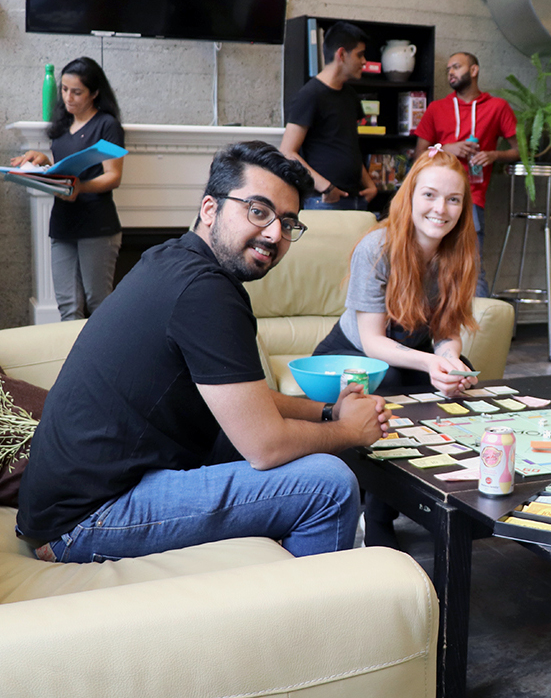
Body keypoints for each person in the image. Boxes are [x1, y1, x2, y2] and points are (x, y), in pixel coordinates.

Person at [15, 141, 391, 563]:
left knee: (247, 442)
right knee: (329, 484)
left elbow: (250, 405)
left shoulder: (173, 259)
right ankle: (303, 620)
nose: (274, 233)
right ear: (210, 209)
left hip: (65, 502)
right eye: (258, 210)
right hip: (86, 516)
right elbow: (265, 445)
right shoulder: (205, 292)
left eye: (288, 222)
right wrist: (349, 432)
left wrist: (327, 412)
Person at [313, 144, 479, 547]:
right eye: (430, 195)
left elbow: (446, 329)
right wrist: (431, 363)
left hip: (408, 356)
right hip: (357, 357)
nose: (441, 208)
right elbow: (372, 342)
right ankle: (378, 512)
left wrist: (449, 358)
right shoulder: (378, 248)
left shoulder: (456, 254)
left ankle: (444, 498)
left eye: (453, 199)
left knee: (461, 386)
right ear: (410, 196)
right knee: (388, 402)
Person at [11, 57, 126, 320]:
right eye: (64, 89)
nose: (67, 97)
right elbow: (65, 170)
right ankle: (70, 360)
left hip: (97, 225)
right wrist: (43, 164)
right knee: (67, 306)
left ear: (94, 93)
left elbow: (113, 177)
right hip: (62, 223)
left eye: (76, 92)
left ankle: (104, 360)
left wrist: (80, 187)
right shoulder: (62, 126)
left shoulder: (106, 125)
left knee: (99, 303)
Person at [414, 51, 518, 297]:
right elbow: (418, 154)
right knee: (431, 266)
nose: (450, 72)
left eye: (456, 67)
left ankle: (481, 332)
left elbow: (519, 150)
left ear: (474, 70)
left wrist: (494, 155)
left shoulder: (497, 107)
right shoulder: (436, 108)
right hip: (434, 200)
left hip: (473, 199)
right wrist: (445, 148)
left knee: (472, 269)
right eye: (448, 68)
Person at [280, 21, 378, 211]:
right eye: (360, 54)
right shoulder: (310, 95)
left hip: (356, 198)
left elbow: (349, 146)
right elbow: (287, 152)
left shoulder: (350, 95)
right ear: (341, 54)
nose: (364, 61)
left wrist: (370, 184)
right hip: (324, 201)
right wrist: (326, 187)